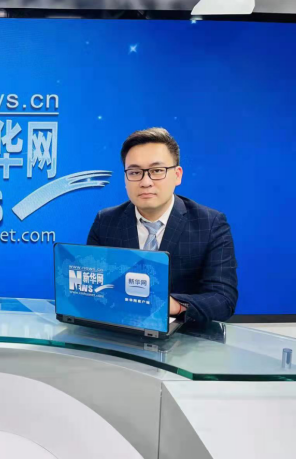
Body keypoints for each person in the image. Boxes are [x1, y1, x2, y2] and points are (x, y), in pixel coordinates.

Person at [87, 127, 238, 323]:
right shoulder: (106, 222)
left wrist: (171, 305)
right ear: (125, 178)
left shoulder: (210, 224)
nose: (145, 182)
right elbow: (92, 288)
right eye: (135, 172)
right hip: (118, 330)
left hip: (184, 336)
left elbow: (223, 299)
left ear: (177, 175)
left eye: (157, 171)